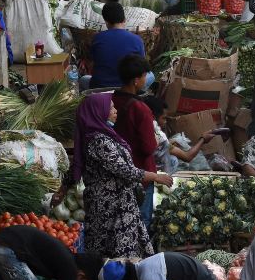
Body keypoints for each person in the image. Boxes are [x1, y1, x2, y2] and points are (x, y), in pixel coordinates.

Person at [61, 93, 172, 258]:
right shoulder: (99, 141)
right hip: (110, 206)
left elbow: (77, 166)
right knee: (116, 253)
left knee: (118, 251)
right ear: (99, 111)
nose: (115, 110)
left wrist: (62, 189)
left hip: (119, 202)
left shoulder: (103, 135)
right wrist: (155, 176)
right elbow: (123, 169)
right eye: (111, 107)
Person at [112, 54, 159, 227]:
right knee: (141, 222)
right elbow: (148, 147)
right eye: (145, 76)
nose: (146, 79)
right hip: (140, 174)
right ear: (135, 80)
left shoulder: (111, 101)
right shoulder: (140, 109)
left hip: (117, 171)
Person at [84, 2, 153, 90]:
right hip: (127, 89)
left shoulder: (97, 38)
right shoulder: (136, 40)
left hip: (99, 88)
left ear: (106, 21)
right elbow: (142, 69)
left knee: (83, 79)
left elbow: (91, 64)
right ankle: (138, 96)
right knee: (151, 75)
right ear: (124, 19)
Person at [142, 96, 217, 175]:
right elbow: (187, 156)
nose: (165, 122)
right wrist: (203, 139)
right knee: (174, 160)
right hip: (156, 176)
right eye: (164, 118)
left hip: (146, 172)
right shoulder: (160, 138)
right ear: (153, 118)